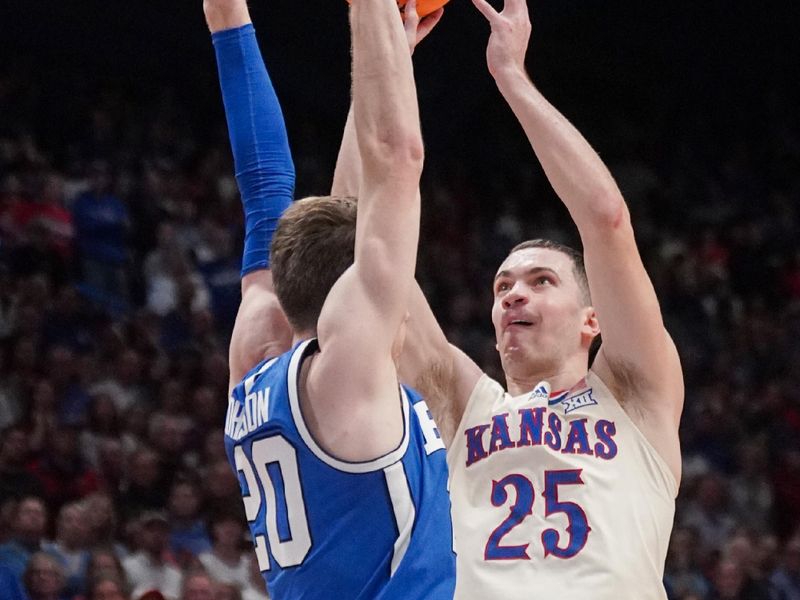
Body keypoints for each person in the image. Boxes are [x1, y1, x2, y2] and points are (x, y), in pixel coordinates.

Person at [348, 0, 681, 596]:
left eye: (540, 281)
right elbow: (355, 234)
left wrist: (512, 78)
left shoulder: (633, 394)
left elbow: (605, 220)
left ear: (591, 320)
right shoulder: (462, 402)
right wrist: (386, 59)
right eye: (502, 287)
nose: (513, 296)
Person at [205, 0, 454, 598]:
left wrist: (393, 52)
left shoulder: (263, 349)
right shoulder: (342, 373)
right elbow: (393, 159)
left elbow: (286, 183)